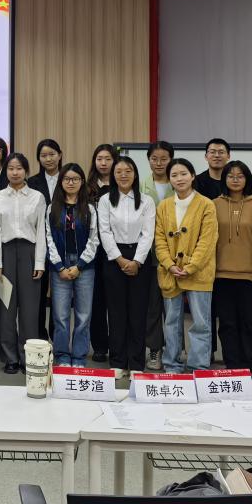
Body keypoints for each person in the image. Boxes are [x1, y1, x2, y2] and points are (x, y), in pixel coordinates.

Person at [154, 158, 218, 372]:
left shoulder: (206, 204)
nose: (179, 178)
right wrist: (169, 264)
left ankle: (198, 367)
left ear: (192, 176)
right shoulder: (164, 206)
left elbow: (207, 241)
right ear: (169, 180)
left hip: (199, 272)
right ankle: (172, 364)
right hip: (170, 272)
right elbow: (159, 239)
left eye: (183, 174)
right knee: (171, 321)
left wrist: (190, 267)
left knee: (200, 323)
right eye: (174, 175)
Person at [0, 153, 46, 374]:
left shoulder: (37, 197)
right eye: (11, 168)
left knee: (30, 310)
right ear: (6, 171)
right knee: (6, 308)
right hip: (6, 253)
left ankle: (28, 357)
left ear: (26, 171)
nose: (15, 172)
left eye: (19, 168)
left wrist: (39, 262)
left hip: (30, 252)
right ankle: (10, 357)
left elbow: (41, 231)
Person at [98, 155, 156, 377]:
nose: (123, 175)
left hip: (139, 259)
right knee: (116, 312)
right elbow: (104, 231)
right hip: (114, 259)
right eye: (119, 171)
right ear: (113, 175)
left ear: (135, 174)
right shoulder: (105, 200)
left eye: (128, 171)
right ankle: (118, 362)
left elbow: (148, 233)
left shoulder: (146, 201)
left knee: (138, 312)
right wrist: (120, 259)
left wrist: (137, 261)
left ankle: (137, 363)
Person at [213, 161, 252, 374]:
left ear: (247, 179)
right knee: (227, 324)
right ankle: (232, 366)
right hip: (221, 275)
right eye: (231, 176)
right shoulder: (214, 204)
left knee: (249, 324)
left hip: (249, 276)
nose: (235, 180)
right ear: (224, 179)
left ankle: (249, 367)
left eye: (240, 176)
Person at [45, 163, 96, 368]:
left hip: (85, 267)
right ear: (61, 182)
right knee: (60, 315)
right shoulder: (52, 208)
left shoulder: (89, 208)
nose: (71, 183)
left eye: (75, 179)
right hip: (60, 266)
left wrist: (80, 265)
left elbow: (94, 239)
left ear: (82, 182)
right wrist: (59, 266)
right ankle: (62, 356)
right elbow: (48, 238)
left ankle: (79, 357)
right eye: (67, 179)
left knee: (83, 315)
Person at [139, 141, 175, 370]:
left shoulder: (179, 182)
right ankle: (155, 349)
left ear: (171, 159)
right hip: (149, 256)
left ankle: (175, 350)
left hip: (176, 257)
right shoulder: (140, 185)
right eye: (154, 159)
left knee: (174, 308)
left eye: (164, 159)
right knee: (152, 307)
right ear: (149, 160)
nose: (159, 163)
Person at [85, 144, 117, 364]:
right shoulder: (87, 187)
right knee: (96, 301)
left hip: (115, 250)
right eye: (99, 159)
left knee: (115, 301)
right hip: (93, 250)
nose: (103, 163)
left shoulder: (121, 185)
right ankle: (99, 346)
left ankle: (116, 344)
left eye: (108, 159)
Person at [27, 139, 63, 203]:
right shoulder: (31, 182)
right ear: (38, 159)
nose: (48, 159)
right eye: (44, 156)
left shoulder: (68, 180)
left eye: (52, 154)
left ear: (59, 155)